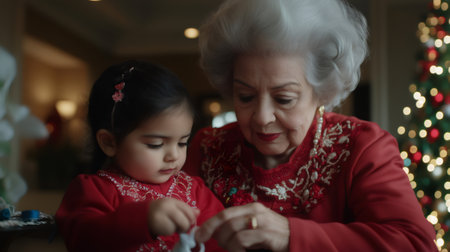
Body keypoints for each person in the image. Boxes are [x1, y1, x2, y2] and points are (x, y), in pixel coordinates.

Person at [183, 0, 439, 251]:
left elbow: (416, 244)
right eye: (245, 97)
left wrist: (290, 235)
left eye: (284, 99)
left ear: (322, 92)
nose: (262, 117)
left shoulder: (361, 146)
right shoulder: (208, 148)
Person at [55, 60, 224, 252]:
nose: (174, 155)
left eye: (182, 142)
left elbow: (219, 241)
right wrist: (143, 219)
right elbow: (83, 239)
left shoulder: (195, 190)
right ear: (110, 142)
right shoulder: (94, 190)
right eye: (156, 144)